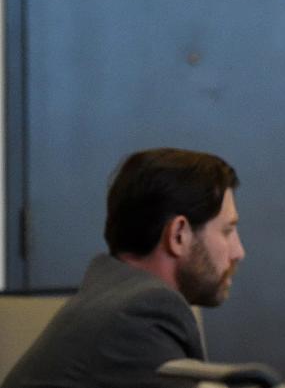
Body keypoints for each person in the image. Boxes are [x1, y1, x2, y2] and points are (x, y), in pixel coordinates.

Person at [2, 148, 245, 388]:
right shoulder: (143, 313)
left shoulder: (112, 298)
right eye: (227, 231)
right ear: (179, 235)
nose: (238, 252)